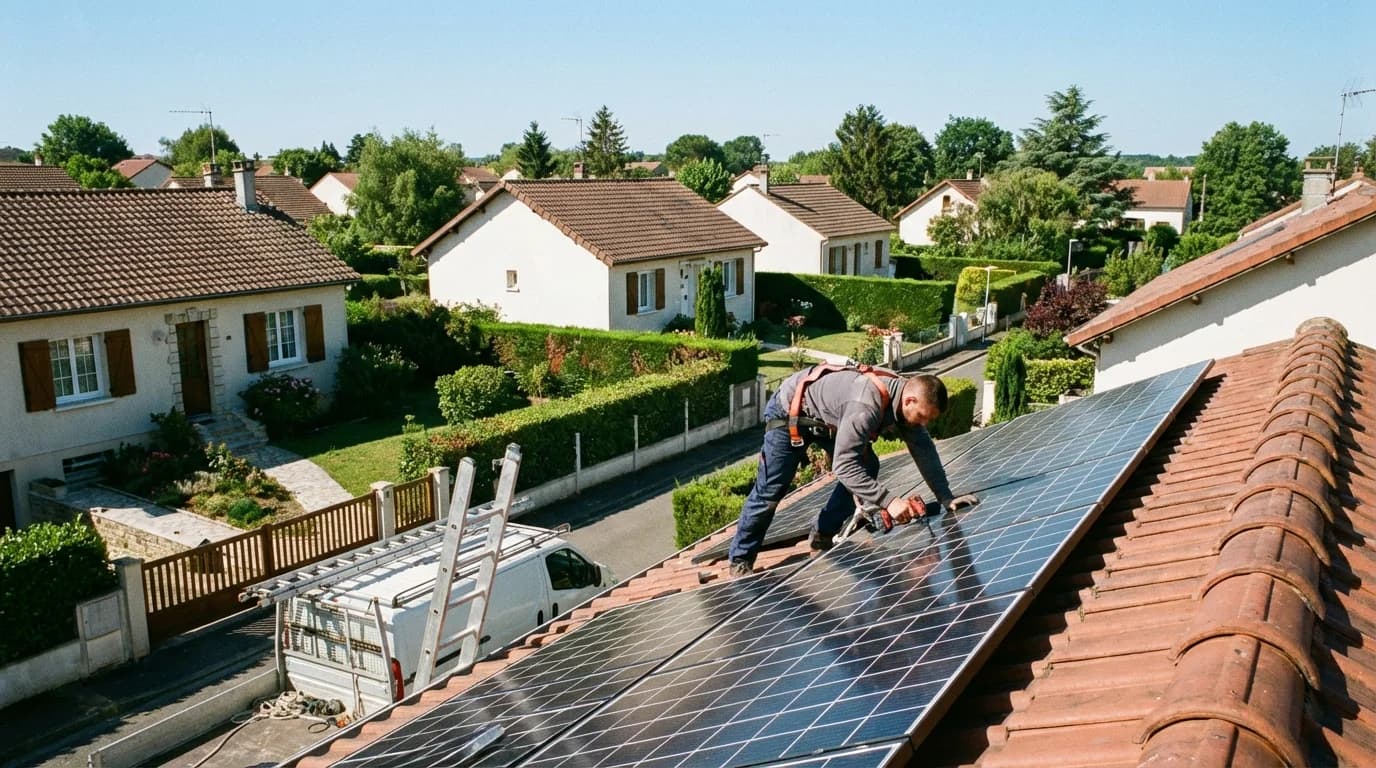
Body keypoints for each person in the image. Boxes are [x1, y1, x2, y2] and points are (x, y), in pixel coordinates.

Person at [728, 365, 978, 577]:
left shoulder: (905, 399)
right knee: (771, 490)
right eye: (922, 417)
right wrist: (888, 502)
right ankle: (740, 560)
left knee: (868, 466)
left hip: (828, 421)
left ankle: (823, 533)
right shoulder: (866, 405)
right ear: (909, 400)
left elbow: (923, 448)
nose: (923, 424)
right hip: (790, 414)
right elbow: (844, 466)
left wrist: (946, 496)